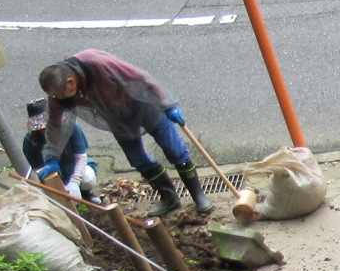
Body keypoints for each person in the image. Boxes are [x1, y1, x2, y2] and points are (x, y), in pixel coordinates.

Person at [37, 49, 210, 213]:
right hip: (116, 117)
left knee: (174, 149)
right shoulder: (59, 94)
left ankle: (198, 195)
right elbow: (55, 125)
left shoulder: (96, 62)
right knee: (138, 159)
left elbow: (143, 77)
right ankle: (169, 197)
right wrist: (51, 158)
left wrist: (168, 104)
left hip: (142, 103)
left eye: (61, 95)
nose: (59, 99)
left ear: (71, 82)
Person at [22, 98, 101, 202]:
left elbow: (81, 157)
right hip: (51, 177)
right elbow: (29, 169)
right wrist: (41, 174)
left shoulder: (71, 127)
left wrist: (75, 182)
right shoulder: (30, 140)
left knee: (88, 179)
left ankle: (86, 193)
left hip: (74, 168)